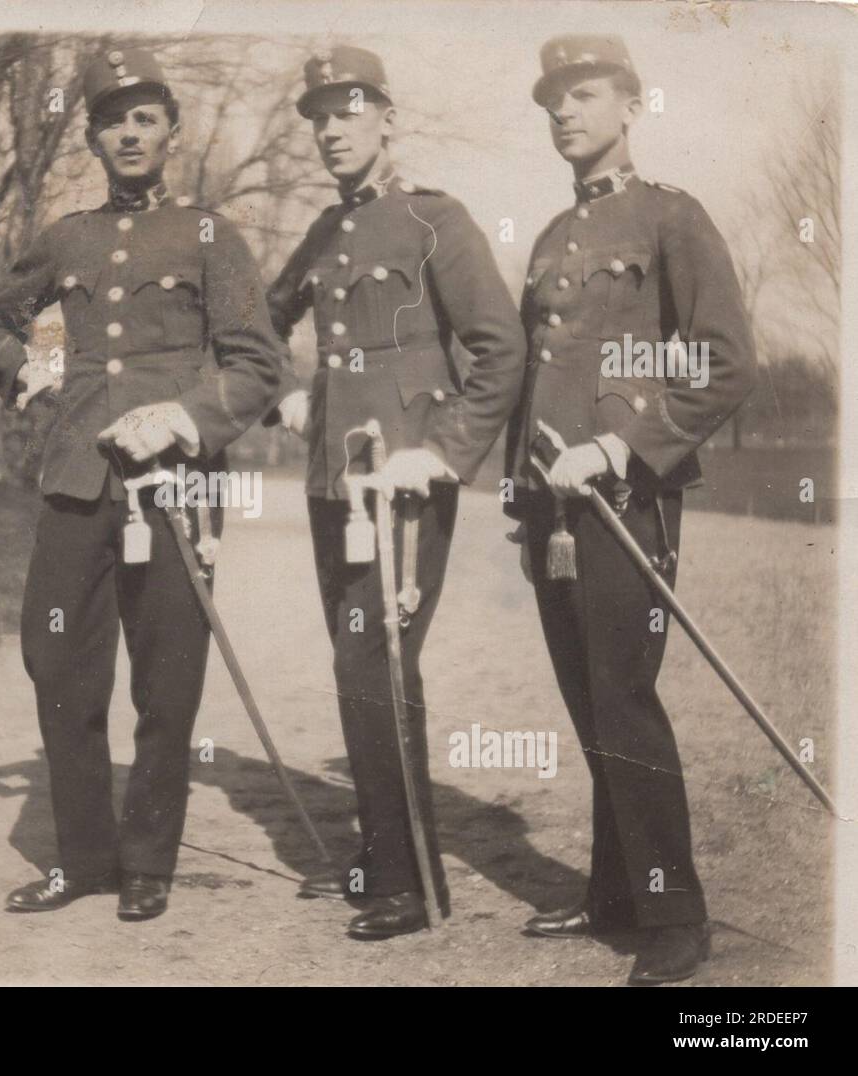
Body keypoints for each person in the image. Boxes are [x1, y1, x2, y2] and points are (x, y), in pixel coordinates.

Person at [0, 47, 285, 922]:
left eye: (145, 117)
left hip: (175, 488)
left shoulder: (211, 236)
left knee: (166, 676)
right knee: (55, 658)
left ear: (170, 131)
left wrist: (183, 417)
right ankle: (84, 859)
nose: (129, 132)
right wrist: (17, 364)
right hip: (77, 479)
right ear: (94, 135)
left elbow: (259, 363)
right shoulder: (67, 237)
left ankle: (147, 860)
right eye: (113, 119)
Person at [504, 35, 757, 983]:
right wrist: (517, 483)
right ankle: (614, 888)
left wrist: (621, 445)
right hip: (551, 511)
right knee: (588, 698)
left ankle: (674, 914)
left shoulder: (672, 220)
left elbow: (725, 363)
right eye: (553, 100)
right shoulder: (549, 240)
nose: (565, 112)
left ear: (630, 105)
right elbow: (538, 375)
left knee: (625, 697)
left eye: (584, 93)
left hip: (625, 500)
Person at [268, 46, 525, 938]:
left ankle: (409, 879)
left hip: (404, 478)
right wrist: (283, 391)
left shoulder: (433, 220)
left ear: (388, 118)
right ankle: (389, 854)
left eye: (349, 109)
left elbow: (501, 347)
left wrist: (445, 452)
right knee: (357, 659)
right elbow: (260, 324)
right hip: (333, 482)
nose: (332, 128)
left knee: (374, 659)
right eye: (319, 116)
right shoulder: (322, 234)